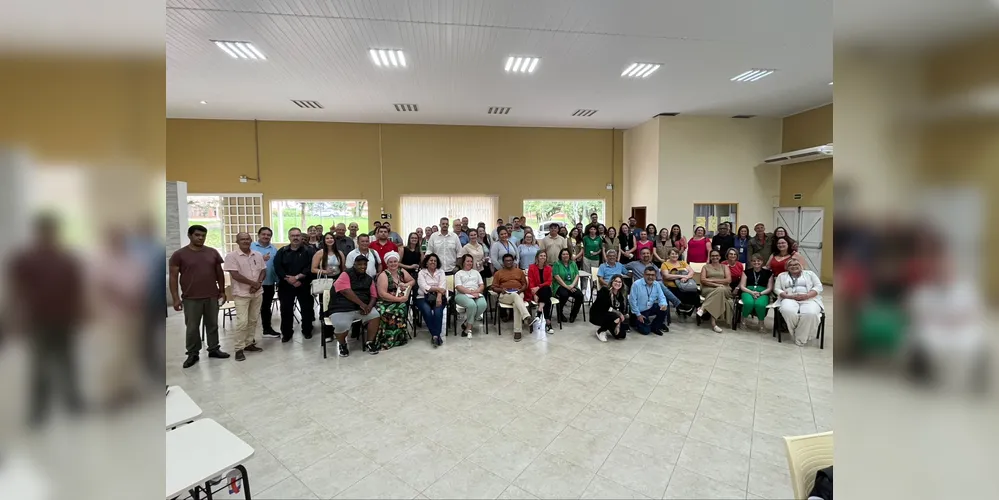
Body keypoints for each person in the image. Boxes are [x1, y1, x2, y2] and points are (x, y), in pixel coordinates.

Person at [8, 214, 84, 424]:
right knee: (40, 366)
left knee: (68, 362)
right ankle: (38, 410)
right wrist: (16, 318)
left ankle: (73, 401)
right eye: (45, 231)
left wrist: (79, 313)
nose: (49, 235)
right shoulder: (26, 260)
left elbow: (75, 289)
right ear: (38, 233)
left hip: (64, 319)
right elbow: (17, 291)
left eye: (51, 231)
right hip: (39, 321)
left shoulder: (66, 259)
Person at [170, 224, 230, 368]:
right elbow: (173, 278)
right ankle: (192, 353)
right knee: (192, 327)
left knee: (212, 324)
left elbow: (219, 273)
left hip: (211, 295)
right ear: (190, 236)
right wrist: (175, 298)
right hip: (191, 297)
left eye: (203, 235)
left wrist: (222, 290)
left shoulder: (212, 252)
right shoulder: (179, 254)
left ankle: (214, 349)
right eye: (197, 235)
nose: (200, 238)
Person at [223, 232, 267, 361]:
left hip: (257, 292)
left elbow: (263, 270)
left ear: (251, 240)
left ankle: (249, 344)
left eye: (247, 239)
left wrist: (258, 284)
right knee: (242, 322)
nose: (245, 241)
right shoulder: (231, 256)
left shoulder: (257, 255)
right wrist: (253, 283)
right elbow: (235, 275)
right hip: (241, 294)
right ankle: (239, 348)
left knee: (253, 320)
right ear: (237, 241)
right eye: (242, 239)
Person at [326, 255, 381, 356]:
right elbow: (346, 291)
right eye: (359, 264)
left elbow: (374, 295)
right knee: (341, 325)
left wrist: (369, 306)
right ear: (354, 264)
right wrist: (363, 305)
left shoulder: (369, 279)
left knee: (375, 315)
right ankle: (342, 344)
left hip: (361, 308)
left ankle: (370, 342)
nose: (362, 266)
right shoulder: (345, 274)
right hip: (342, 307)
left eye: (365, 264)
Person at [273, 227, 316, 342]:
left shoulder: (309, 251)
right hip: (286, 285)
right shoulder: (282, 251)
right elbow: (277, 267)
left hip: (304, 284)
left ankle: (307, 330)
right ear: (289, 237)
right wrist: (288, 279)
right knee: (286, 310)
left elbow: (310, 267)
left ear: (301, 237)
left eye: (298, 235)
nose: (295, 238)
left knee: (306, 309)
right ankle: (287, 333)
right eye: (293, 236)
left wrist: (297, 278)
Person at [774, 257, 824, 346]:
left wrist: (807, 295)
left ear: (800, 265)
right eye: (791, 265)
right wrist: (786, 295)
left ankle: (800, 337)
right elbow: (777, 289)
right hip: (789, 298)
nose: (794, 266)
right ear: (787, 267)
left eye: (796, 264)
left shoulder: (810, 274)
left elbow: (818, 287)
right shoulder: (782, 275)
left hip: (809, 298)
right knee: (788, 311)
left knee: (811, 314)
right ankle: (799, 333)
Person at [374, 251, 413, 350]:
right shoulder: (383, 275)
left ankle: (399, 338)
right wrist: (399, 299)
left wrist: (405, 285)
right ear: (387, 263)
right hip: (385, 301)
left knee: (402, 308)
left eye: (395, 261)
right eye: (390, 262)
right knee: (387, 311)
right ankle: (386, 339)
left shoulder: (402, 271)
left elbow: (412, 280)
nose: (393, 264)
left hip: (399, 300)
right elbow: (382, 294)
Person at [491, 253, 535, 341]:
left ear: (513, 261)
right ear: (503, 262)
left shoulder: (519, 271)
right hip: (505, 295)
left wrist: (520, 290)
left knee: (516, 304)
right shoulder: (498, 273)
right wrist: (501, 290)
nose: (509, 262)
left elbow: (524, 284)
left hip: (519, 293)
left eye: (510, 260)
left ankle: (518, 332)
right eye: (506, 261)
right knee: (516, 298)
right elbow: (493, 287)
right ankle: (526, 317)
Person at [251, 227, 280, 338]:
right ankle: (250, 335)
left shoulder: (273, 249)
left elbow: (275, 266)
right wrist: (260, 259)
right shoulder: (251, 247)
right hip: (254, 283)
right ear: (259, 235)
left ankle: (267, 329)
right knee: (252, 309)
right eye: (263, 234)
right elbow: (246, 263)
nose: (266, 236)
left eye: (268, 235)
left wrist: (277, 281)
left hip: (269, 283)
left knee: (266, 308)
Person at [697, 250, 734, 333]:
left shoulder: (725, 267)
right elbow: (703, 280)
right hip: (708, 288)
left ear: (720, 257)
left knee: (720, 291)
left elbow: (728, 280)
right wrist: (717, 284)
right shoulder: (705, 267)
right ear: (710, 257)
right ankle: (713, 324)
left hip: (725, 288)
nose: (715, 257)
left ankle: (703, 308)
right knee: (719, 293)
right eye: (713, 256)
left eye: (717, 255)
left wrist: (712, 280)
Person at [416, 253, 448, 347]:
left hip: (439, 297)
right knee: (427, 311)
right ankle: (436, 335)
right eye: (431, 260)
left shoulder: (441, 272)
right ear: (426, 262)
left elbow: (442, 286)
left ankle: (435, 336)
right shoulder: (421, 272)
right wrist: (438, 289)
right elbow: (424, 287)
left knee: (438, 312)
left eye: (435, 260)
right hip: (422, 297)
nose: (433, 262)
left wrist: (438, 296)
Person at [628, 266, 670, 335]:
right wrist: (638, 315)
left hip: (649, 308)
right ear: (644, 275)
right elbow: (632, 301)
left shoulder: (657, 284)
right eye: (648, 275)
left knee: (664, 309)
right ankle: (641, 323)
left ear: (655, 276)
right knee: (646, 331)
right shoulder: (636, 284)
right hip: (638, 311)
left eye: (652, 275)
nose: (650, 277)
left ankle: (655, 327)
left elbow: (661, 297)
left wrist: (663, 304)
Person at [454, 254, 488, 337]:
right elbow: (458, 287)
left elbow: (482, 285)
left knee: (483, 304)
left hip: (476, 293)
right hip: (462, 294)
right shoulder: (458, 273)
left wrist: (476, 291)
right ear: (463, 262)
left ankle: (467, 322)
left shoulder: (476, 272)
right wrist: (470, 292)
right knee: (471, 305)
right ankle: (468, 328)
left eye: (471, 261)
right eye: (467, 261)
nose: (470, 263)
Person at [739, 254, 775, 332]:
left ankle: (761, 323)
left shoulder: (768, 273)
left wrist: (760, 293)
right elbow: (742, 286)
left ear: (762, 262)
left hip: (763, 292)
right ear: (751, 262)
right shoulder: (746, 272)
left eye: (758, 261)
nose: (756, 262)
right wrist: (752, 292)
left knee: (760, 304)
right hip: (748, 291)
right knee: (749, 303)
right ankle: (743, 320)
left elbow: (770, 288)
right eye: (754, 261)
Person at [590, 275, 630, 342]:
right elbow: (604, 307)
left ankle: (608, 326)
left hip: (612, 317)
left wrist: (620, 321)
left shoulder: (621, 295)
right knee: (615, 316)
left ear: (622, 284)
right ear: (612, 282)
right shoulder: (605, 290)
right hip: (598, 314)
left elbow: (621, 309)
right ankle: (601, 331)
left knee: (621, 335)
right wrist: (619, 314)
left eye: (620, 282)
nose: (617, 283)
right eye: (616, 281)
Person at [661, 248, 699, 312]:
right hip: (672, 287)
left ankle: (698, 312)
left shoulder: (682, 263)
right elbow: (666, 276)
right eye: (672, 254)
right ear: (668, 255)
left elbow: (692, 272)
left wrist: (686, 277)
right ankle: (683, 308)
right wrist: (681, 276)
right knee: (683, 295)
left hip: (686, 285)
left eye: (676, 254)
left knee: (696, 294)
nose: (674, 255)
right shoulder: (665, 264)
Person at [552, 248, 584, 323]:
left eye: (567, 254)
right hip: (560, 285)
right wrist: (567, 287)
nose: (565, 255)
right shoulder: (557, 264)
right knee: (564, 294)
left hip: (572, 285)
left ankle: (573, 314)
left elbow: (577, 275)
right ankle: (560, 313)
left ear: (569, 255)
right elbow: (557, 277)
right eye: (563, 254)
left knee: (579, 295)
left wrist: (572, 285)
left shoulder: (573, 263)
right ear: (560, 255)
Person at [527, 251, 555, 334]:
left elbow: (549, 281)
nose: (543, 257)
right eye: (541, 256)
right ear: (537, 257)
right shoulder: (531, 267)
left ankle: (539, 311)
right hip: (535, 292)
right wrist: (534, 294)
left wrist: (538, 287)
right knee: (548, 301)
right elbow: (531, 282)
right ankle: (548, 323)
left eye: (544, 256)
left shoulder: (549, 268)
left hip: (544, 289)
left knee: (546, 288)